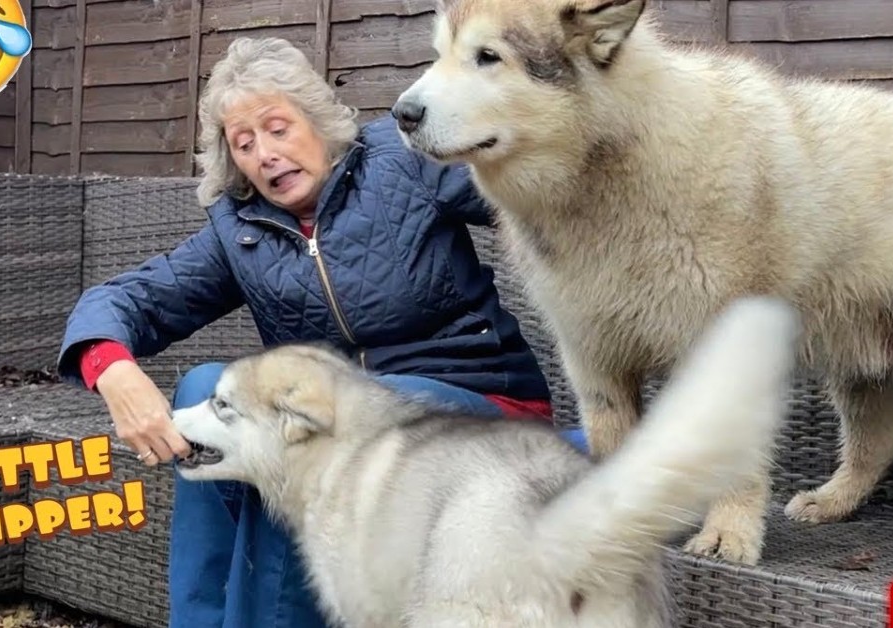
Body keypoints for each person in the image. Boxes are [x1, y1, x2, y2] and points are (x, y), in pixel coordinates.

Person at [55, 36, 588, 628]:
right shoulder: (242, 228)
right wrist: (114, 370)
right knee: (207, 395)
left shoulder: (404, 161)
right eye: (245, 143)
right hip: (337, 426)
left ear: (317, 119)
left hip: (474, 407)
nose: (266, 154)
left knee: (301, 437)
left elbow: (538, 190)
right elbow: (127, 300)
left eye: (278, 128)